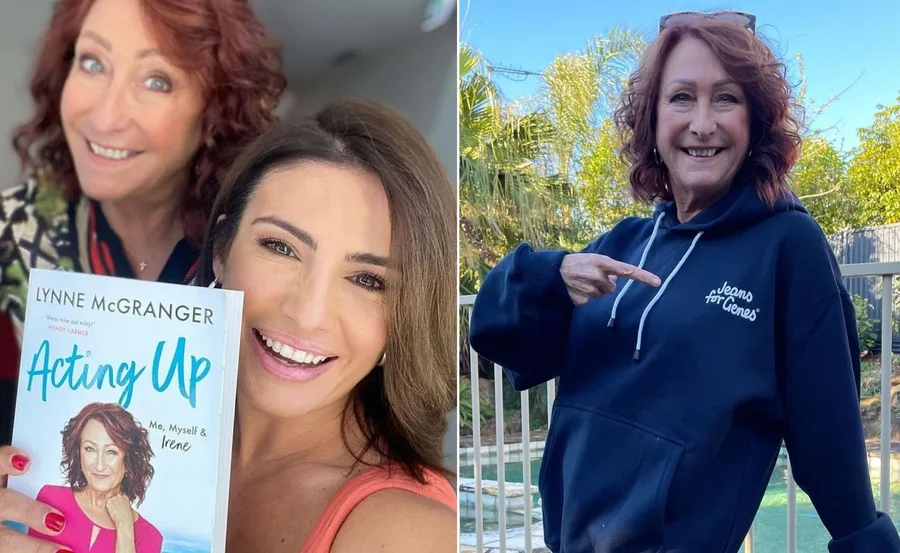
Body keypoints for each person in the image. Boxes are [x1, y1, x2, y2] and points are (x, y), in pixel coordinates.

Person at [468, 13, 900, 553]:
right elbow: (497, 338)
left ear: (755, 121)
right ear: (651, 121)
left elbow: (828, 435)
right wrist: (548, 276)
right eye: (681, 98)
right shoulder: (619, 245)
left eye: (725, 98)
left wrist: (867, 542)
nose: (702, 123)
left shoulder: (787, 246)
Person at [0, 99, 457, 552]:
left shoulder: (407, 532)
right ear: (221, 250)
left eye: (367, 279)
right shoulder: (123, 441)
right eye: (280, 248)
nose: (308, 313)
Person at [0, 0, 285, 445]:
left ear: (215, 107)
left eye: (157, 80)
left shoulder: (256, 252)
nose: (106, 117)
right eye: (92, 63)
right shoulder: (12, 235)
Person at [27, 403, 161, 553]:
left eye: (111, 452)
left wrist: (125, 527)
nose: (99, 465)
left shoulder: (149, 536)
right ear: (79, 453)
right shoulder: (52, 499)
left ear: (128, 459)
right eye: (90, 449)